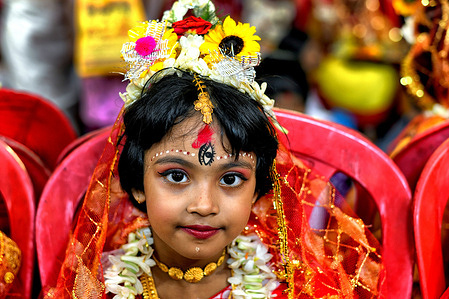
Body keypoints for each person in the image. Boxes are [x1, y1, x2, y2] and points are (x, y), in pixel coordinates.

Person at [42, 1, 383, 298]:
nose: (204, 205)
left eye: (232, 179)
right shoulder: (96, 287)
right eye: (176, 176)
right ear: (135, 183)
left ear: (258, 190)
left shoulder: (289, 288)